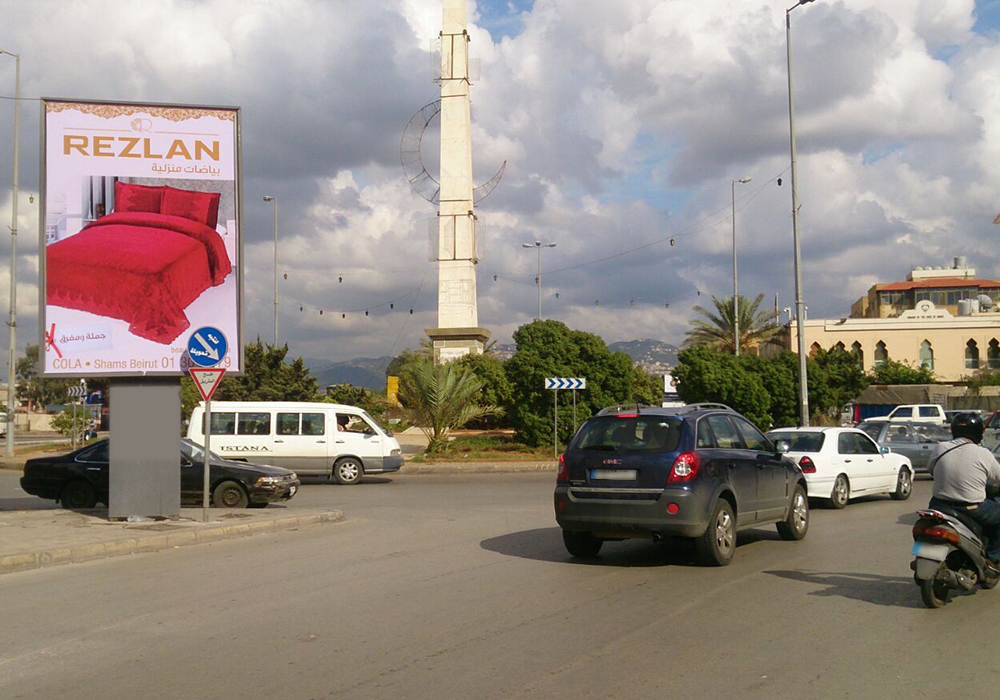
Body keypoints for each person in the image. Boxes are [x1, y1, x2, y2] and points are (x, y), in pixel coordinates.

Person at [928, 412, 1000, 570]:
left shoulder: (940, 448)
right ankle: (994, 559)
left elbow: (931, 470)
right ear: (978, 432)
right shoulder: (983, 453)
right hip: (970, 508)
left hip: (938, 505)